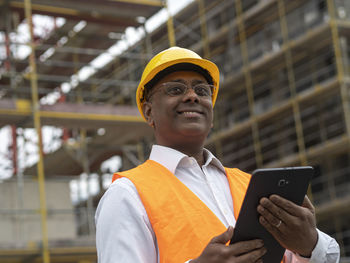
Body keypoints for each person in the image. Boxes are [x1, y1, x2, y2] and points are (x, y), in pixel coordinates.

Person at [95, 47, 340, 263]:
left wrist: (309, 246)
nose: (192, 96)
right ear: (149, 112)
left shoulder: (250, 186)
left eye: (202, 90)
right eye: (175, 89)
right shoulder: (128, 195)